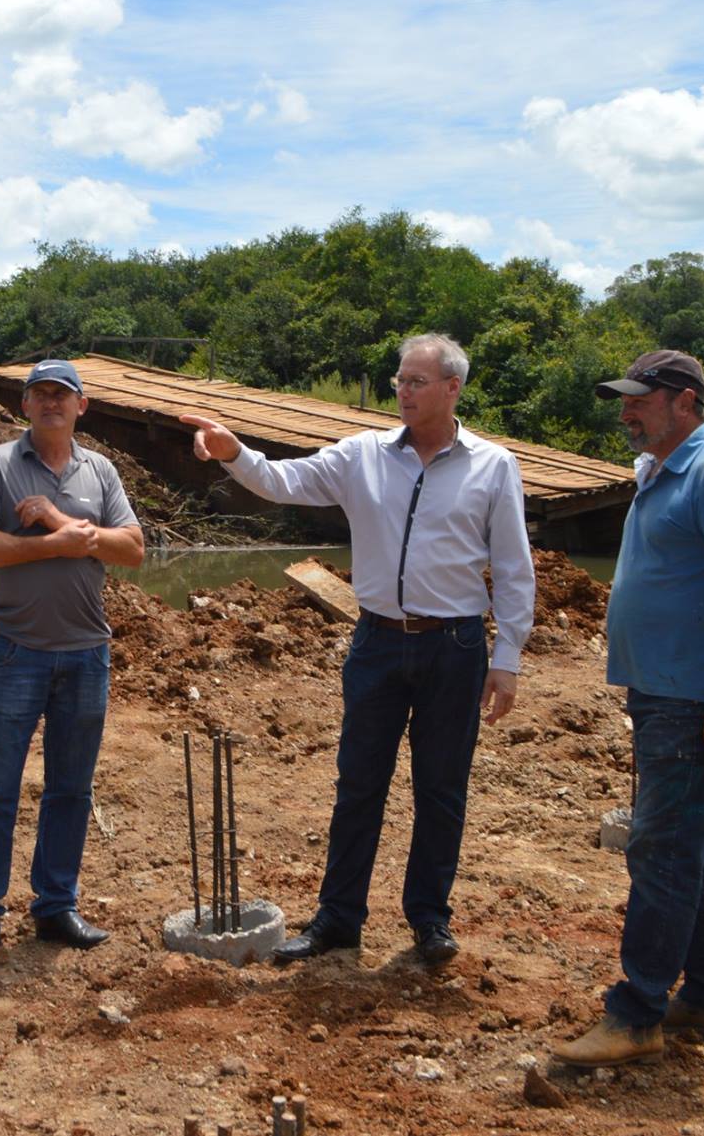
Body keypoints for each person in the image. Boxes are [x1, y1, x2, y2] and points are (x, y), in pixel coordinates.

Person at [180, 333, 533, 966]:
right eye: (400, 380)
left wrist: (507, 658)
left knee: (441, 788)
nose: (404, 391)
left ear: (452, 388)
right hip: (377, 642)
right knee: (359, 785)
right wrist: (236, 452)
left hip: (454, 647)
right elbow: (282, 480)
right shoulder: (361, 455)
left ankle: (429, 919)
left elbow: (513, 568)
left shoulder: (493, 466)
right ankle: (339, 920)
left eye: (417, 381)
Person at [554, 350, 704, 1067]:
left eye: (638, 401)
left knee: (663, 850)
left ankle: (638, 1010)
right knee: (696, 845)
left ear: (683, 401)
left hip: (693, 697)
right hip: (664, 692)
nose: (626, 413)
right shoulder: (661, 471)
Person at [0, 359, 145, 969]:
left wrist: (61, 524)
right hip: (17, 652)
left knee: (70, 789)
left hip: (87, 654)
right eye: (41, 394)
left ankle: (56, 906)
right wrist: (52, 546)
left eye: (63, 394)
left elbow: (134, 549)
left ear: (82, 406)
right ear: (25, 405)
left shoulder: (101, 471)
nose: (52, 402)